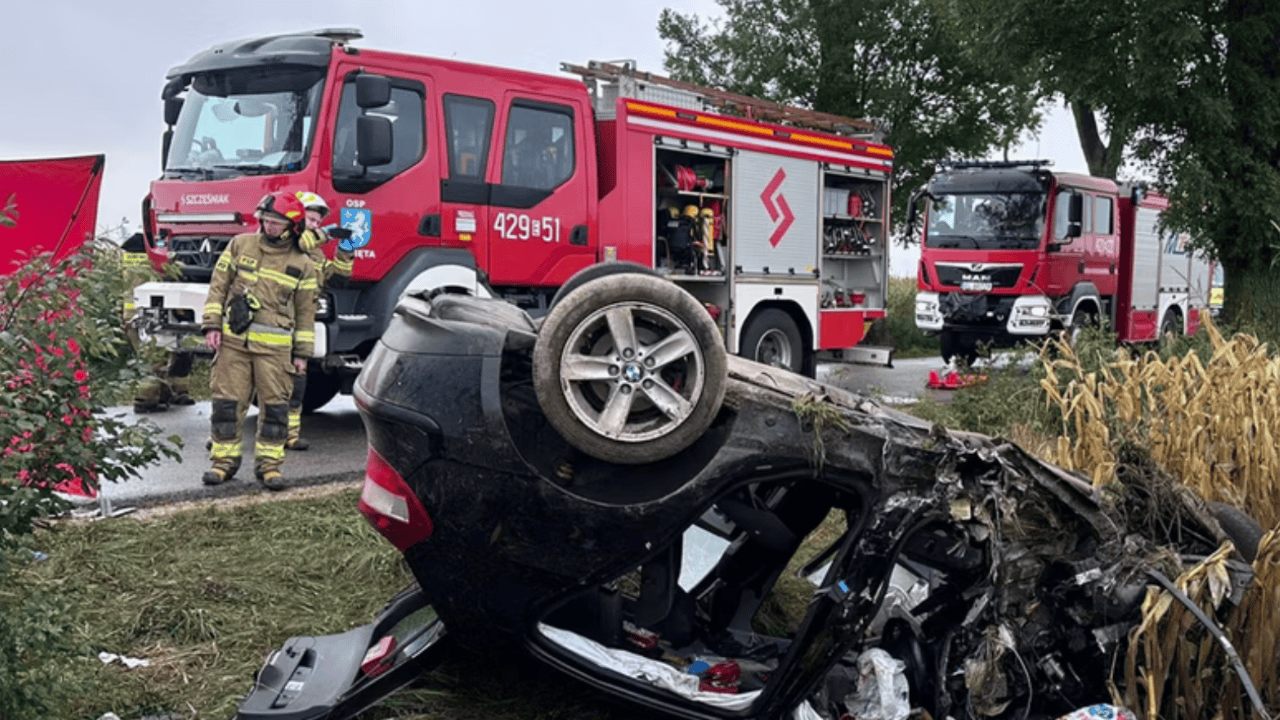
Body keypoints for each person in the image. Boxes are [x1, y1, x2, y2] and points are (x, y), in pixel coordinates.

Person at [201, 192, 318, 491]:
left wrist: (302, 354)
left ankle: (270, 467)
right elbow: (218, 286)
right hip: (234, 343)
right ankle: (222, 463)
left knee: (276, 410)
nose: (270, 227)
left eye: (277, 222)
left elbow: (306, 312)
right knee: (227, 404)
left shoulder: (303, 264)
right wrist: (212, 325)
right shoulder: (240, 244)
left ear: (293, 226)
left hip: (276, 351)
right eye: (266, 220)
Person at [285, 191, 355, 450]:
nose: (316, 225)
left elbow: (336, 279)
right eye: (311, 220)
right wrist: (328, 233)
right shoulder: (286, 242)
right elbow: (299, 243)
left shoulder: (315, 256)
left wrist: (346, 251)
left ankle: (290, 436)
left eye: (318, 221)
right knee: (251, 383)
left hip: (300, 322)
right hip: (275, 322)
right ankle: (220, 437)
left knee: (297, 380)